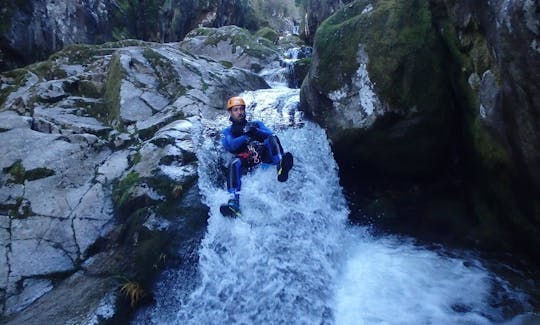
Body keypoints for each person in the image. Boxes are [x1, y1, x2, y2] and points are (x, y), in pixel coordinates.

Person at [220, 96, 294, 217]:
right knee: (234, 163)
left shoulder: (256, 124)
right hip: (246, 161)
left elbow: (271, 134)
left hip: (263, 155)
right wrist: (246, 135)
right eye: (236, 110)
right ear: (230, 112)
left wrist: (255, 131)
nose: (240, 112)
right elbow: (230, 146)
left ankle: (281, 167)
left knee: (272, 138)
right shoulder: (227, 131)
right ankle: (233, 202)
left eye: (241, 109)